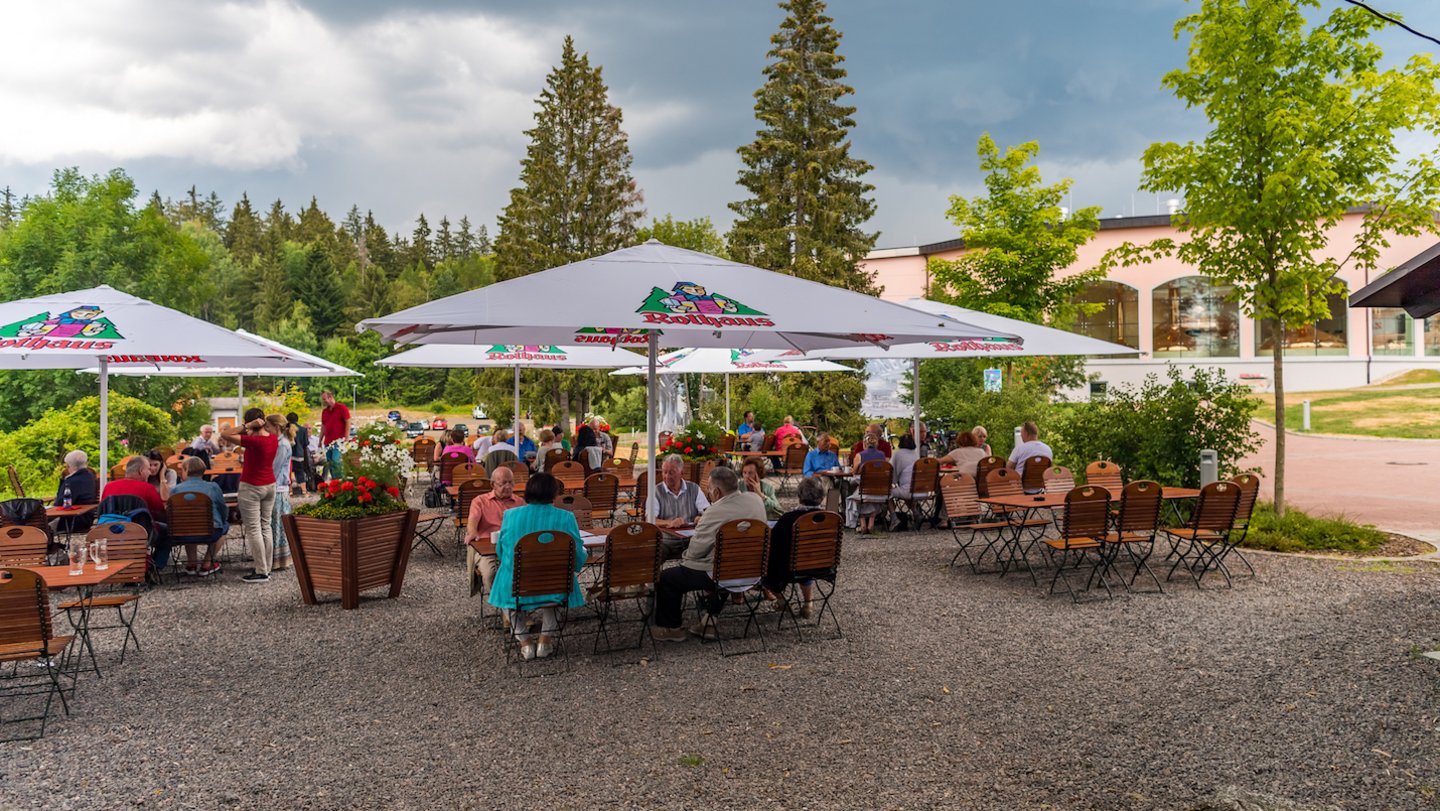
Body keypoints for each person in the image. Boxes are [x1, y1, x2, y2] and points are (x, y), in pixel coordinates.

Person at [651, 466, 768, 642]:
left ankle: (671, 628)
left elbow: (696, 552)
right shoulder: (755, 500)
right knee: (725, 563)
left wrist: (686, 555)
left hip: (724, 574)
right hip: (752, 571)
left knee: (667, 578)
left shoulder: (714, 511)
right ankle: (709, 621)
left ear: (717, 491)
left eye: (710, 489)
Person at [488, 473, 586, 661]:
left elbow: (502, 552)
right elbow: (577, 555)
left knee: (507, 592)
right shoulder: (566, 517)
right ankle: (545, 641)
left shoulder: (510, 516)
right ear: (553, 493)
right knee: (558, 588)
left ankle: (525, 643)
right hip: (555, 584)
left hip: (518, 585)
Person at [221, 408, 279, 584]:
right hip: (270, 485)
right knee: (265, 526)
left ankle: (261, 571)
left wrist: (246, 426)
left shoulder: (254, 441)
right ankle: (267, 567)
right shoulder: (273, 439)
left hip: (252, 487)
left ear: (253, 422)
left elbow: (225, 434)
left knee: (253, 528)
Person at [761, 476, 828, 619]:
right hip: (822, 566)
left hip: (792, 569)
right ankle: (808, 603)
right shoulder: (829, 519)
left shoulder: (789, 519)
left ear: (799, 496)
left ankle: (781, 600)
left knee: (766, 564)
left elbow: (774, 545)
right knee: (804, 557)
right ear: (822, 497)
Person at [462, 465, 526, 602]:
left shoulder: (520, 502)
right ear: (492, 484)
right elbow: (472, 521)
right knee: (491, 573)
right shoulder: (480, 501)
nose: (508, 486)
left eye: (511, 482)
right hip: (488, 550)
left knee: (527, 572)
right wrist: (472, 532)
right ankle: (509, 611)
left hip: (514, 549)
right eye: (503, 483)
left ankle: (515, 610)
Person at [171, 456, 229, 576]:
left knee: (189, 523)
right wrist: (222, 520)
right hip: (210, 532)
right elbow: (222, 508)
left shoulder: (176, 490)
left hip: (182, 534)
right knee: (223, 526)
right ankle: (207, 563)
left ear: (186, 470)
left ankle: (192, 563)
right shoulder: (213, 487)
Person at [652, 453, 710, 528]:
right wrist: (670, 522)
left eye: (671, 473)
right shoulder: (656, 492)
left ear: (681, 473)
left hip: (692, 537)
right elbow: (651, 520)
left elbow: (707, 513)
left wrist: (701, 518)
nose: (667, 476)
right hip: (666, 538)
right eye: (664, 472)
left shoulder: (694, 488)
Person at [268, 414, 294, 571]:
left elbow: (274, 469)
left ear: (276, 428)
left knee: (277, 525)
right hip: (276, 487)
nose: (266, 430)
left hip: (278, 488)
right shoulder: (279, 443)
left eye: (268, 427)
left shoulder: (283, 445)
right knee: (274, 525)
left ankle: (278, 560)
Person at [53, 450, 98, 534]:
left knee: (42, 527)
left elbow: (60, 503)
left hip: (71, 520)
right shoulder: (89, 477)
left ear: (68, 466)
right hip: (87, 517)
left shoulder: (71, 481)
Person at [849, 434, 887, 534]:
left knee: (855, 497)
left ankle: (862, 523)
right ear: (876, 444)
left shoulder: (859, 455)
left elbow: (854, 472)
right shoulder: (882, 455)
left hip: (864, 491)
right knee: (869, 495)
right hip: (879, 490)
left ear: (864, 444)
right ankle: (871, 523)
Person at [1007, 420, 1054, 487]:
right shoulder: (1048, 449)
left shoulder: (1019, 449)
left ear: (1026, 433)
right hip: (1040, 488)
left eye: (1021, 433)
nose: (1021, 436)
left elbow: (1008, 468)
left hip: (1020, 488)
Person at [319, 390, 351, 481]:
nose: (323, 401)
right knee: (330, 462)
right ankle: (334, 481)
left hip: (339, 441)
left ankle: (339, 479)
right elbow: (323, 426)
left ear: (330, 397)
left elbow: (348, 421)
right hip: (328, 441)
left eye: (324, 399)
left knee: (336, 460)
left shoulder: (341, 408)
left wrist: (346, 437)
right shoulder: (325, 411)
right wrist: (320, 439)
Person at [287, 412, 314, 495]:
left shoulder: (285, 429)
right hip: (299, 454)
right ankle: (304, 490)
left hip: (288, 454)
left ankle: (290, 491)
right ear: (297, 420)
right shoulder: (303, 429)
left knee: (288, 472)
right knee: (300, 471)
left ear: (287, 420)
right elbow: (306, 443)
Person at [890, 434, 919, 498]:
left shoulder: (897, 454)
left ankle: (892, 508)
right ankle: (914, 507)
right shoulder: (916, 454)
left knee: (886, 492)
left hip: (907, 492)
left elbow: (892, 476)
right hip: (922, 491)